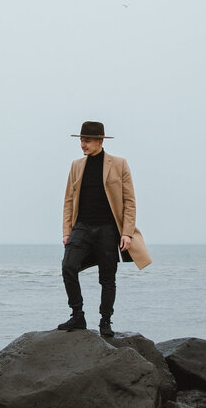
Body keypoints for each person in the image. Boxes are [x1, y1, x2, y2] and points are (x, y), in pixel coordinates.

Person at [59, 121, 150, 337]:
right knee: (68, 266)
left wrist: (126, 232)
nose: (83, 145)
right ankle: (77, 315)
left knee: (107, 277)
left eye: (87, 140)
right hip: (81, 226)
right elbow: (68, 200)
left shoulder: (119, 164)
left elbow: (129, 201)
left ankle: (105, 321)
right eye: (81, 140)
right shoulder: (76, 165)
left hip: (108, 228)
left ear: (100, 141)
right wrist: (66, 232)